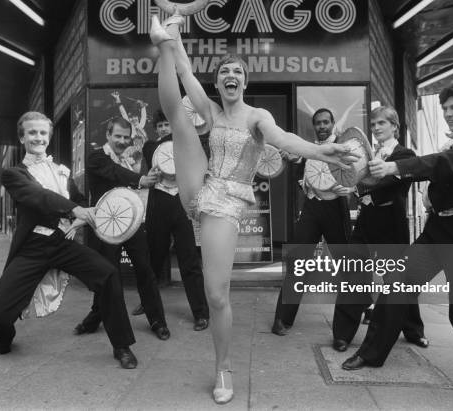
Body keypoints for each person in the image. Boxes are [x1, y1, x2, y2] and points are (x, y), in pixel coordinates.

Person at [150, 15, 359, 404]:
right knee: (178, 115)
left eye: (237, 72)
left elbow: (284, 139)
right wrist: (173, 40)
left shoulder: (257, 117)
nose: (231, 75)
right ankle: (160, 42)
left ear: (245, 82)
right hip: (202, 184)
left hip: (229, 202)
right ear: (218, 83)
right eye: (224, 71)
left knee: (216, 295)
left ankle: (223, 366)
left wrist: (319, 150)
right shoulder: (211, 111)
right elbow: (185, 70)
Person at [341, 79, 453, 393]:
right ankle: (370, 354)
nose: (449, 113)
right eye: (445, 108)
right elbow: (442, 169)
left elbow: (443, 164)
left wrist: (394, 167)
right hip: (437, 231)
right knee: (397, 286)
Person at [0, 111, 138, 369]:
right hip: (33, 247)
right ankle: (3, 340)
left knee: (108, 275)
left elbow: (78, 201)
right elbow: (39, 196)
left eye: (42, 133)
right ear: (22, 138)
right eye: (32, 132)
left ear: (49, 137)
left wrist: (92, 212)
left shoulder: (62, 172)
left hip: (63, 243)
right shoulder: (13, 174)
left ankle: (122, 346)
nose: (38, 137)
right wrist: (74, 210)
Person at [332, 106, 427, 353]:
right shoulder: (368, 152)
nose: (375, 129)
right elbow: (353, 177)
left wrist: (359, 186)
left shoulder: (405, 153)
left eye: (381, 124)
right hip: (366, 221)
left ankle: (414, 330)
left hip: (391, 222)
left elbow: (390, 184)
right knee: (353, 275)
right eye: (373, 125)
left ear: (394, 126)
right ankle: (342, 334)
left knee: (396, 280)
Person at [72, 117, 171, 341]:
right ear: (108, 135)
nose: (122, 141)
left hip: (133, 222)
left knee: (145, 271)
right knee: (108, 274)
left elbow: (135, 175)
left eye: (126, 137)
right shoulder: (97, 157)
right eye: (118, 136)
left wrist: (150, 175)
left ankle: (158, 321)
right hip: (106, 225)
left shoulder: (131, 158)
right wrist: (141, 179)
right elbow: (114, 173)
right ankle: (96, 316)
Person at [272, 108, 353, 339]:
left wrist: (350, 187)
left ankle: (352, 319)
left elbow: (358, 174)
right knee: (297, 262)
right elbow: (301, 171)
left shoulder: (343, 147)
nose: (322, 126)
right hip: (311, 208)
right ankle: (282, 319)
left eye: (326, 122)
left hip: (336, 208)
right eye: (318, 123)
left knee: (346, 266)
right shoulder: (310, 149)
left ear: (333, 123)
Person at [142, 110, 210, 331]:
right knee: (153, 257)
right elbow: (157, 150)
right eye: (159, 125)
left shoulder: (186, 144)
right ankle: (147, 303)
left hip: (181, 204)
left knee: (189, 260)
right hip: (158, 204)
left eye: (166, 125)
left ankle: (201, 312)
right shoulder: (150, 147)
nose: (163, 129)